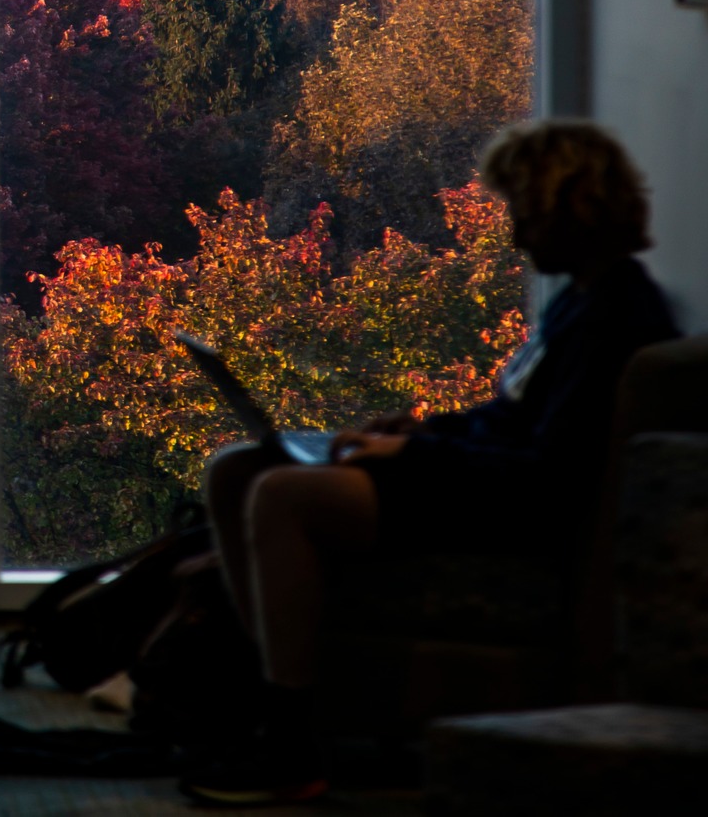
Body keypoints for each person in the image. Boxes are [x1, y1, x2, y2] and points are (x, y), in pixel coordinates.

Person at [182, 120, 679, 808]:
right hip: (480, 480)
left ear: (574, 208)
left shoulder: (616, 319)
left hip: (510, 509)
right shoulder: (581, 299)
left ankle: (291, 737)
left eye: (526, 214)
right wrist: (422, 431)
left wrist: (416, 454)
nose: (515, 235)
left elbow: (547, 472)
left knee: (282, 495)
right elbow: (513, 417)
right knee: (237, 468)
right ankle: (264, 684)